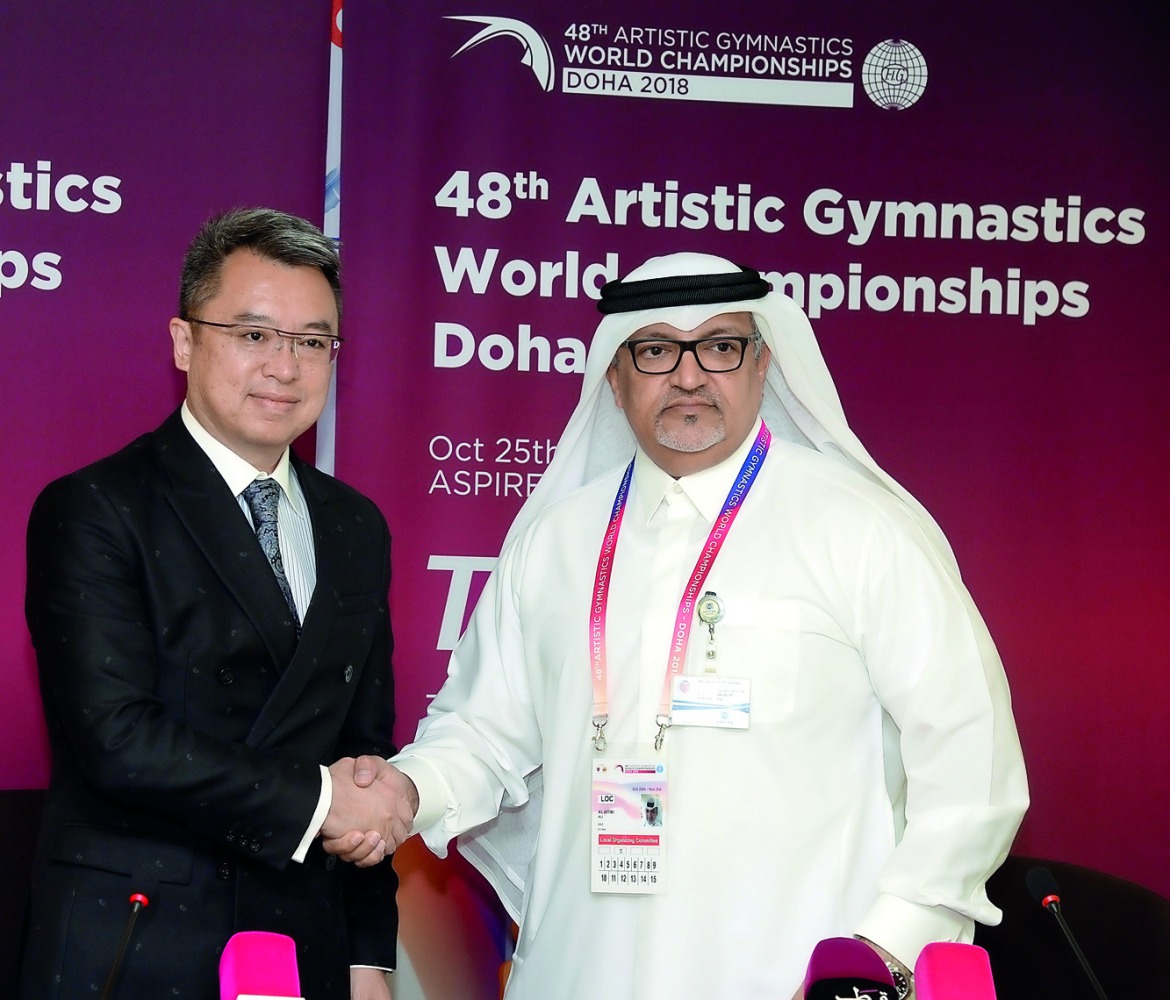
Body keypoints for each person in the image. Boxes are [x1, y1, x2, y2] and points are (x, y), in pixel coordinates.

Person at [330, 252, 1030, 999]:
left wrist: (882, 949)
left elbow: (973, 762)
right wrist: (408, 790)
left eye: (721, 347)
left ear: (763, 364)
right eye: (657, 349)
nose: (690, 376)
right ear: (615, 374)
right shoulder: (556, 541)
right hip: (580, 969)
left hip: (793, 975)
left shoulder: (862, 529)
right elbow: (482, 731)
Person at [20, 208, 411, 1000]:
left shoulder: (354, 525)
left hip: (303, 941)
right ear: (184, 342)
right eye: (253, 334)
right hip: (137, 942)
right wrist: (322, 800)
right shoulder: (97, 506)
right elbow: (118, 739)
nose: (285, 366)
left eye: (312, 341)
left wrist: (369, 952)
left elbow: (365, 750)